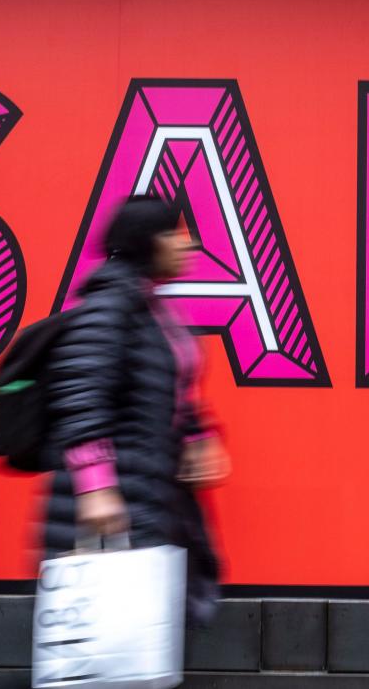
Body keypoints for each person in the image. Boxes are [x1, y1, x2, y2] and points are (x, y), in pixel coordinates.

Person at [41, 195, 230, 626]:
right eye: (174, 233)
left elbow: (168, 389)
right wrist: (95, 487)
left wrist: (197, 437)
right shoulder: (110, 306)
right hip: (116, 502)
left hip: (148, 493)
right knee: (114, 636)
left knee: (143, 631)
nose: (189, 245)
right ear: (146, 242)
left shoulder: (151, 309)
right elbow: (79, 394)